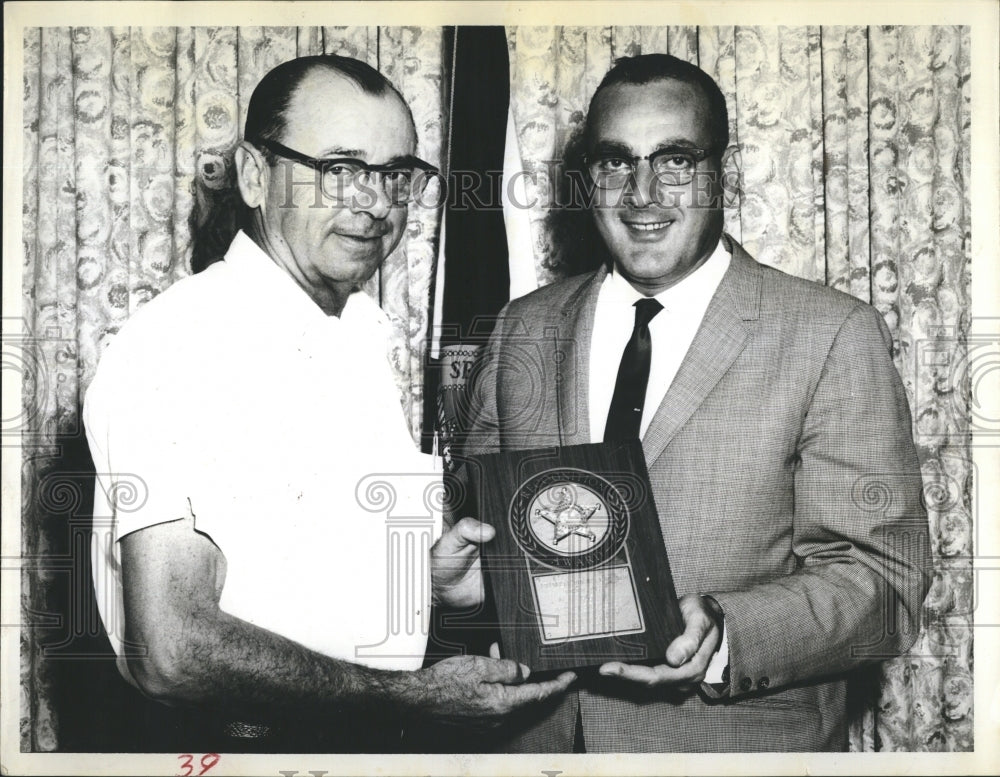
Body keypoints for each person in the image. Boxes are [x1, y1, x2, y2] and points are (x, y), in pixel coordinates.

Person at [83, 54, 573, 753]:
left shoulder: (358, 336)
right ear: (255, 176)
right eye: (341, 170)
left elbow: (293, 574)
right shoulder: (180, 343)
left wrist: (422, 580)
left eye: (395, 175)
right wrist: (411, 699)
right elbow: (174, 647)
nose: (375, 203)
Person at [459, 53, 932, 752]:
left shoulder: (831, 333)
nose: (642, 194)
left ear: (723, 175)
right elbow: (483, 542)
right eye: (615, 162)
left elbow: (886, 585)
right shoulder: (523, 326)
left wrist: (724, 629)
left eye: (674, 161)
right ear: (588, 176)